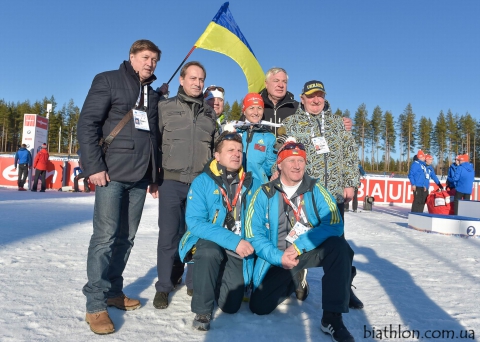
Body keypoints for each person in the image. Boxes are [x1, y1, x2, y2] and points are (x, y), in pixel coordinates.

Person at [77, 39, 162, 335]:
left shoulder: (153, 93)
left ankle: (114, 290)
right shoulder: (108, 80)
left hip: (140, 177)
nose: (150, 63)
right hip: (111, 174)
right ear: (132, 57)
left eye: (154, 59)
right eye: (145, 57)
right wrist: (94, 167)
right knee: (104, 238)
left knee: (126, 238)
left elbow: (154, 139)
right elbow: (87, 124)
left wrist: (155, 175)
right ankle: (96, 305)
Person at [245, 139, 355, 342]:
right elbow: (253, 234)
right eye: (291, 161)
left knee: (339, 247)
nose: (297, 166)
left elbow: (334, 223)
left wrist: (299, 246)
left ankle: (332, 318)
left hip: (306, 250)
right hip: (277, 255)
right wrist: (279, 258)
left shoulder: (315, 189)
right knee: (259, 307)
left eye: (301, 161)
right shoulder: (264, 193)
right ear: (279, 164)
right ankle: (293, 278)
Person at [282, 80, 363, 310]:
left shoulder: (338, 123)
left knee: (339, 246)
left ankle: (345, 288)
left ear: (325, 98)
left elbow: (349, 153)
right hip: (305, 196)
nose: (316, 99)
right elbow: (284, 155)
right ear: (302, 98)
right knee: (297, 239)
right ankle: (295, 280)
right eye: (311, 96)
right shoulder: (292, 123)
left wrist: (350, 183)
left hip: (333, 197)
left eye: (320, 95)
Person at [178, 130, 257, 331]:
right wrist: (233, 241)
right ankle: (202, 310)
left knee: (231, 306)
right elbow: (195, 223)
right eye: (230, 150)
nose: (237, 154)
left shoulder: (250, 181)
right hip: (209, 240)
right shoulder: (202, 182)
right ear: (217, 155)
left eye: (239, 150)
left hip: (236, 247)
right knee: (209, 251)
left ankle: (217, 278)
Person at [154, 61, 217, 310]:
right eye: (193, 78)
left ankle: (194, 282)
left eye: (201, 79)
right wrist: (153, 176)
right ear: (182, 80)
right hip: (171, 181)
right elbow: (155, 141)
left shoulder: (210, 114)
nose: (197, 83)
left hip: (200, 185)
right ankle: (164, 286)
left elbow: (215, 150)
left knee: (197, 235)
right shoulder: (165, 107)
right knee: (168, 236)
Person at [259, 68, 353, 134]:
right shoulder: (255, 107)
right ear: (266, 84)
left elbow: (318, 117)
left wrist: (342, 124)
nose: (281, 85)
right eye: (276, 81)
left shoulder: (298, 108)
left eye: (284, 81)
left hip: (291, 160)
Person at [236, 93, 277, 185]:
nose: (255, 112)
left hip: (259, 185)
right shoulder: (236, 133)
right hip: (236, 185)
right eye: (251, 108)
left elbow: (270, 166)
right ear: (244, 111)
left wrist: (260, 173)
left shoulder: (269, 136)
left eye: (259, 108)